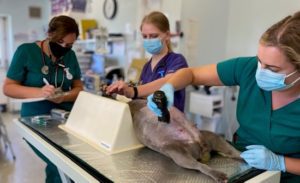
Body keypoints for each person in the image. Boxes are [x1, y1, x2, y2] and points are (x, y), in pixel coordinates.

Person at [147, 11, 300, 182]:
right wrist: (168, 87)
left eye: (273, 69)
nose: (260, 72)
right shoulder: (248, 68)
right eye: (259, 61)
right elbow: (190, 74)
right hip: (241, 163)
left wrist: (281, 163)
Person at [3, 15, 83, 182]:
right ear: (49, 33)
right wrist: (40, 92)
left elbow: (78, 89)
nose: (64, 47)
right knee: (58, 161)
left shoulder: (70, 56)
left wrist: (64, 96)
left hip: (66, 116)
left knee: (75, 160)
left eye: (69, 44)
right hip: (37, 119)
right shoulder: (26, 51)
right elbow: (8, 88)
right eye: (60, 41)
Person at [106, 11, 188, 112]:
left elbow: (169, 81)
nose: (149, 40)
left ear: (167, 35)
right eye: (145, 36)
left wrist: (133, 91)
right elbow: (143, 98)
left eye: (153, 36)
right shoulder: (146, 67)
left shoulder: (177, 60)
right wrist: (123, 91)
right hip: (149, 123)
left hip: (172, 124)